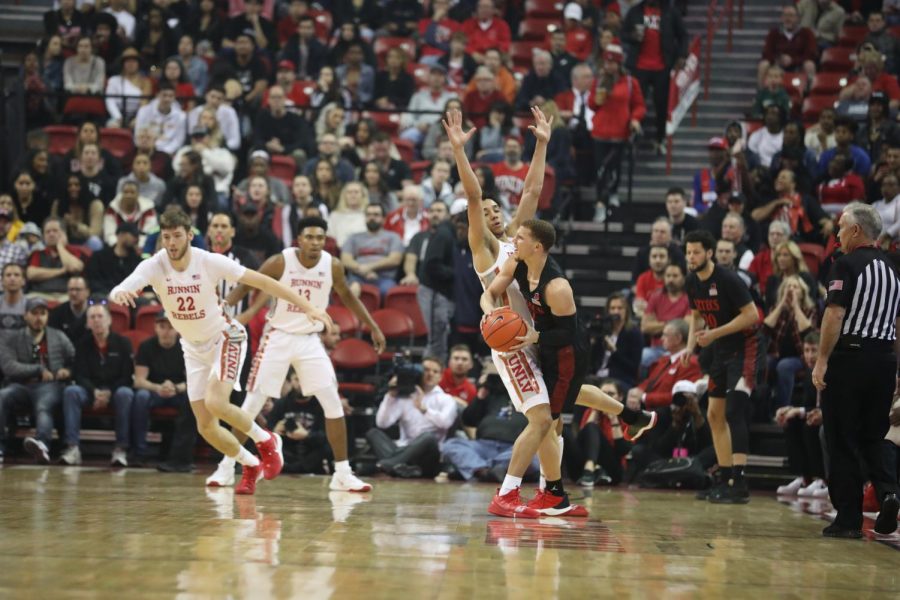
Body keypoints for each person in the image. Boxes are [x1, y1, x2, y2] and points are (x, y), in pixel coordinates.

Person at [110, 205, 335, 495]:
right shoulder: (154, 265)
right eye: (166, 237)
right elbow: (120, 288)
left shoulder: (208, 261)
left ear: (190, 235)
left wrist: (308, 308)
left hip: (225, 338)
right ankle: (250, 463)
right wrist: (121, 294)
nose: (171, 243)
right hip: (192, 348)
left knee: (217, 402)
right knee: (206, 426)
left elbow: (264, 281)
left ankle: (266, 440)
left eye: (177, 236)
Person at [446, 106, 583, 517]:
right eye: (484, 211)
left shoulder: (519, 241)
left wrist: (542, 143)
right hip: (511, 344)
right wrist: (459, 152)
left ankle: (552, 495)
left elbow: (531, 192)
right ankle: (507, 494)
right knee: (540, 419)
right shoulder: (484, 247)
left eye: (493, 209)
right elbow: (472, 194)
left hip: (536, 335)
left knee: (552, 423)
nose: (491, 212)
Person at [482, 218, 658, 515]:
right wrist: (493, 316)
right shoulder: (517, 263)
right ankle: (631, 418)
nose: (514, 242)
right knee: (568, 399)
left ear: (537, 246)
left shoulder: (558, 287)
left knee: (544, 422)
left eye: (521, 238)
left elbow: (569, 332)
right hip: (544, 345)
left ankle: (514, 491)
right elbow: (489, 293)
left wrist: (536, 336)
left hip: (568, 351)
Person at [205, 216, 383, 493]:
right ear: (298, 240)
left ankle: (343, 473)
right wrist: (225, 306)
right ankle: (227, 466)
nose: (315, 243)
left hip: (310, 340)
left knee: (333, 403)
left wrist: (372, 326)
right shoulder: (280, 261)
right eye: (309, 237)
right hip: (277, 337)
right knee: (251, 405)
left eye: (320, 238)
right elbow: (247, 283)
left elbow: (348, 296)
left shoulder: (332, 265)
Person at [811, 201, 900, 537]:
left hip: (849, 359)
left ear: (856, 230)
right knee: (874, 437)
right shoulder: (893, 268)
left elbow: (834, 314)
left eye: (841, 227)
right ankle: (890, 493)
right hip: (883, 361)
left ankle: (848, 519)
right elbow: (899, 323)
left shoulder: (846, 264)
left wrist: (822, 360)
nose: (837, 232)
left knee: (842, 438)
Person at [684, 230, 762, 504]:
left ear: (709, 253)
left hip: (746, 349)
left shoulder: (728, 279)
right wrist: (689, 347)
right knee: (714, 414)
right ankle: (725, 476)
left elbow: (752, 315)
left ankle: (739, 481)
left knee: (734, 410)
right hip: (721, 351)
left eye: (695, 252)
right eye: (688, 252)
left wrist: (714, 334)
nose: (691, 257)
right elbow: (695, 315)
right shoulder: (692, 281)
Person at [0, 297, 74, 464]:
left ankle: (42, 445)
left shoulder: (59, 337)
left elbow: (74, 360)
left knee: (43, 405)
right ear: (25, 316)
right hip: (21, 385)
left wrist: (67, 371)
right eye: (34, 313)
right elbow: (9, 367)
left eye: (42, 313)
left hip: (50, 386)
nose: (38, 317)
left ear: (47, 316)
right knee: (2, 396)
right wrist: (38, 369)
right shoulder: (13, 338)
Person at [60, 304, 135, 467]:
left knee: (125, 393)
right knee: (71, 391)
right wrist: (94, 392)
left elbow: (127, 376)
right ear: (87, 323)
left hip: (114, 391)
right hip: (90, 391)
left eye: (100, 316)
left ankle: (120, 449)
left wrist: (108, 392)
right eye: (92, 317)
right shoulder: (82, 344)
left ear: (109, 320)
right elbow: (79, 375)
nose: (96, 320)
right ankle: (72, 448)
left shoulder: (123, 343)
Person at [441, 362, 540, 482]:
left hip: (513, 448)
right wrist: (480, 395)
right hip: (482, 446)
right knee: (451, 445)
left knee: (534, 457)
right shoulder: (490, 394)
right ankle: (486, 470)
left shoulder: (530, 397)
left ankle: (479, 469)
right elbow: (468, 420)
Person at [367, 356, 457, 478]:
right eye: (426, 370)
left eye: (435, 371)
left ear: (440, 377)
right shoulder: (406, 396)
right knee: (373, 433)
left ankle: (388, 464)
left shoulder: (446, 399)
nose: (430, 374)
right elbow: (382, 423)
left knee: (428, 437)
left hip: (428, 458)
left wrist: (424, 409)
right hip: (403, 449)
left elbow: (446, 423)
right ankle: (398, 468)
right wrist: (390, 396)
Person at [132, 311, 196, 471]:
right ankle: (139, 453)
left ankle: (181, 455)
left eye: (171, 327)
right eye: (162, 326)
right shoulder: (146, 346)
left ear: (178, 328)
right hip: (154, 391)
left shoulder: (187, 347)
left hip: (178, 391)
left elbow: (194, 381)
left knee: (193, 399)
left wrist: (176, 388)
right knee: (140, 397)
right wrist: (158, 388)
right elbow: (139, 381)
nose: (166, 331)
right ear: (156, 328)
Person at [622, 0, 688, 153]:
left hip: (662, 66)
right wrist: (633, 36)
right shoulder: (635, 11)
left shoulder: (671, 12)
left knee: (662, 104)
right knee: (636, 104)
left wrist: (682, 55)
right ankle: (634, 137)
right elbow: (623, 33)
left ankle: (660, 138)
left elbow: (683, 35)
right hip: (639, 65)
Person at [776, 331, 828, 497]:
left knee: (811, 426)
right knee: (791, 422)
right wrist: (788, 409)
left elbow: (831, 405)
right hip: (817, 415)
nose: (810, 355)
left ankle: (822, 479)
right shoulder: (808, 373)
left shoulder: (830, 370)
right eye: (806, 350)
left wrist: (798, 411)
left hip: (832, 417)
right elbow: (807, 404)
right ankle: (804, 477)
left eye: (814, 350)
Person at [340, 204, 404, 297]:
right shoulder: (353, 237)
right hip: (357, 277)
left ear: (384, 219)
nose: (372, 217)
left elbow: (395, 259)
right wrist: (362, 270)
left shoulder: (393, 237)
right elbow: (345, 260)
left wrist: (369, 267)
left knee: (386, 293)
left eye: (376, 215)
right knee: (350, 291)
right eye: (368, 215)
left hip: (384, 278)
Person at [26, 218, 87, 302]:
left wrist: (60, 247)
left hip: (67, 295)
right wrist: (61, 271)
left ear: (63, 234)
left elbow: (74, 268)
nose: (51, 234)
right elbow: (31, 274)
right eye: (47, 232)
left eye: (55, 231)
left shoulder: (74, 251)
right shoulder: (37, 253)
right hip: (40, 294)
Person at [757, 4, 818, 88]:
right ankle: (762, 94)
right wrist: (779, 59)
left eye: (791, 16)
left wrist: (793, 60)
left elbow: (811, 53)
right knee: (763, 64)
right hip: (778, 65)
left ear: (797, 18)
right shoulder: (774, 33)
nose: (788, 19)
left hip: (799, 65)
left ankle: (809, 94)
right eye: (785, 15)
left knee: (810, 65)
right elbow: (766, 52)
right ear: (781, 18)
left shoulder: (806, 33)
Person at [48, 276, 89, 344]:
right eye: (71, 289)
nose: (74, 293)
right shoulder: (57, 313)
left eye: (78, 289)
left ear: (87, 292)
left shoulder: (95, 313)